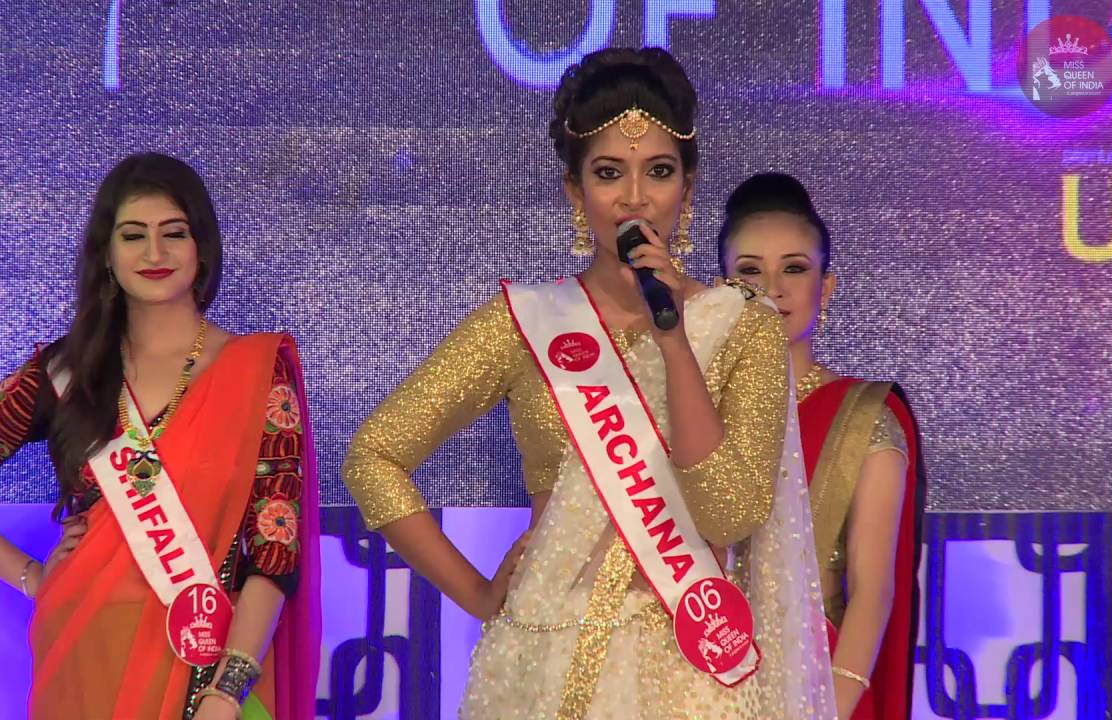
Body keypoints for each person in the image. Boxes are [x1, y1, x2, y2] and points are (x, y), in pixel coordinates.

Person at [342, 48, 834, 719]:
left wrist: (675, 341)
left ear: (687, 188)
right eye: (608, 173)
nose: (635, 197)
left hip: (686, 677)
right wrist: (478, 594)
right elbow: (373, 458)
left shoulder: (742, 325)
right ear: (575, 191)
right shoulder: (524, 323)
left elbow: (730, 513)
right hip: (538, 663)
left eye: (659, 171)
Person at [0, 153, 320, 720]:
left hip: (213, 660)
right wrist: (32, 576)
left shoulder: (257, 370)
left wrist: (228, 690)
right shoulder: (64, 373)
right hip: (85, 651)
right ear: (106, 253)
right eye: (133, 235)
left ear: (202, 248)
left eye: (174, 233)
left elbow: (276, 548)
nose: (154, 253)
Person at [719, 173, 925, 720]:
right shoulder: (692, 412)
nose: (773, 287)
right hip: (695, 685)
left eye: (794, 268)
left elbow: (873, 592)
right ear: (720, 288)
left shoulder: (864, 417)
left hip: (822, 688)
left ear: (825, 287)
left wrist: (826, 704)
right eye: (749, 271)